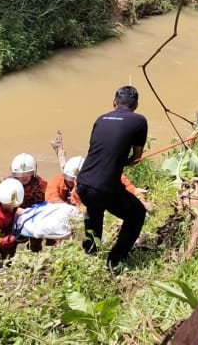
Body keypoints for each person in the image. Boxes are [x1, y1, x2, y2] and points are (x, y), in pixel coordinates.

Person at [77, 85, 148, 271]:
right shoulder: (139, 121)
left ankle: (90, 251)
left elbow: (99, 150)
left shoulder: (100, 119)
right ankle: (114, 260)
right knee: (137, 214)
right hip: (105, 186)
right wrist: (127, 161)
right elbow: (137, 157)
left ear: (114, 103)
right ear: (136, 105)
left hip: (83, 182)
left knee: (94, 210)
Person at [46, 155, 152, 212]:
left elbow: (122, 182)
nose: (71, 182)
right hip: (69, 212)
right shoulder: (57, 180)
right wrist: (68, 210)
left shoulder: (98, 175)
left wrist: (135, 193)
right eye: (69, 180)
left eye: (74, 180)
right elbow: (51, 197)